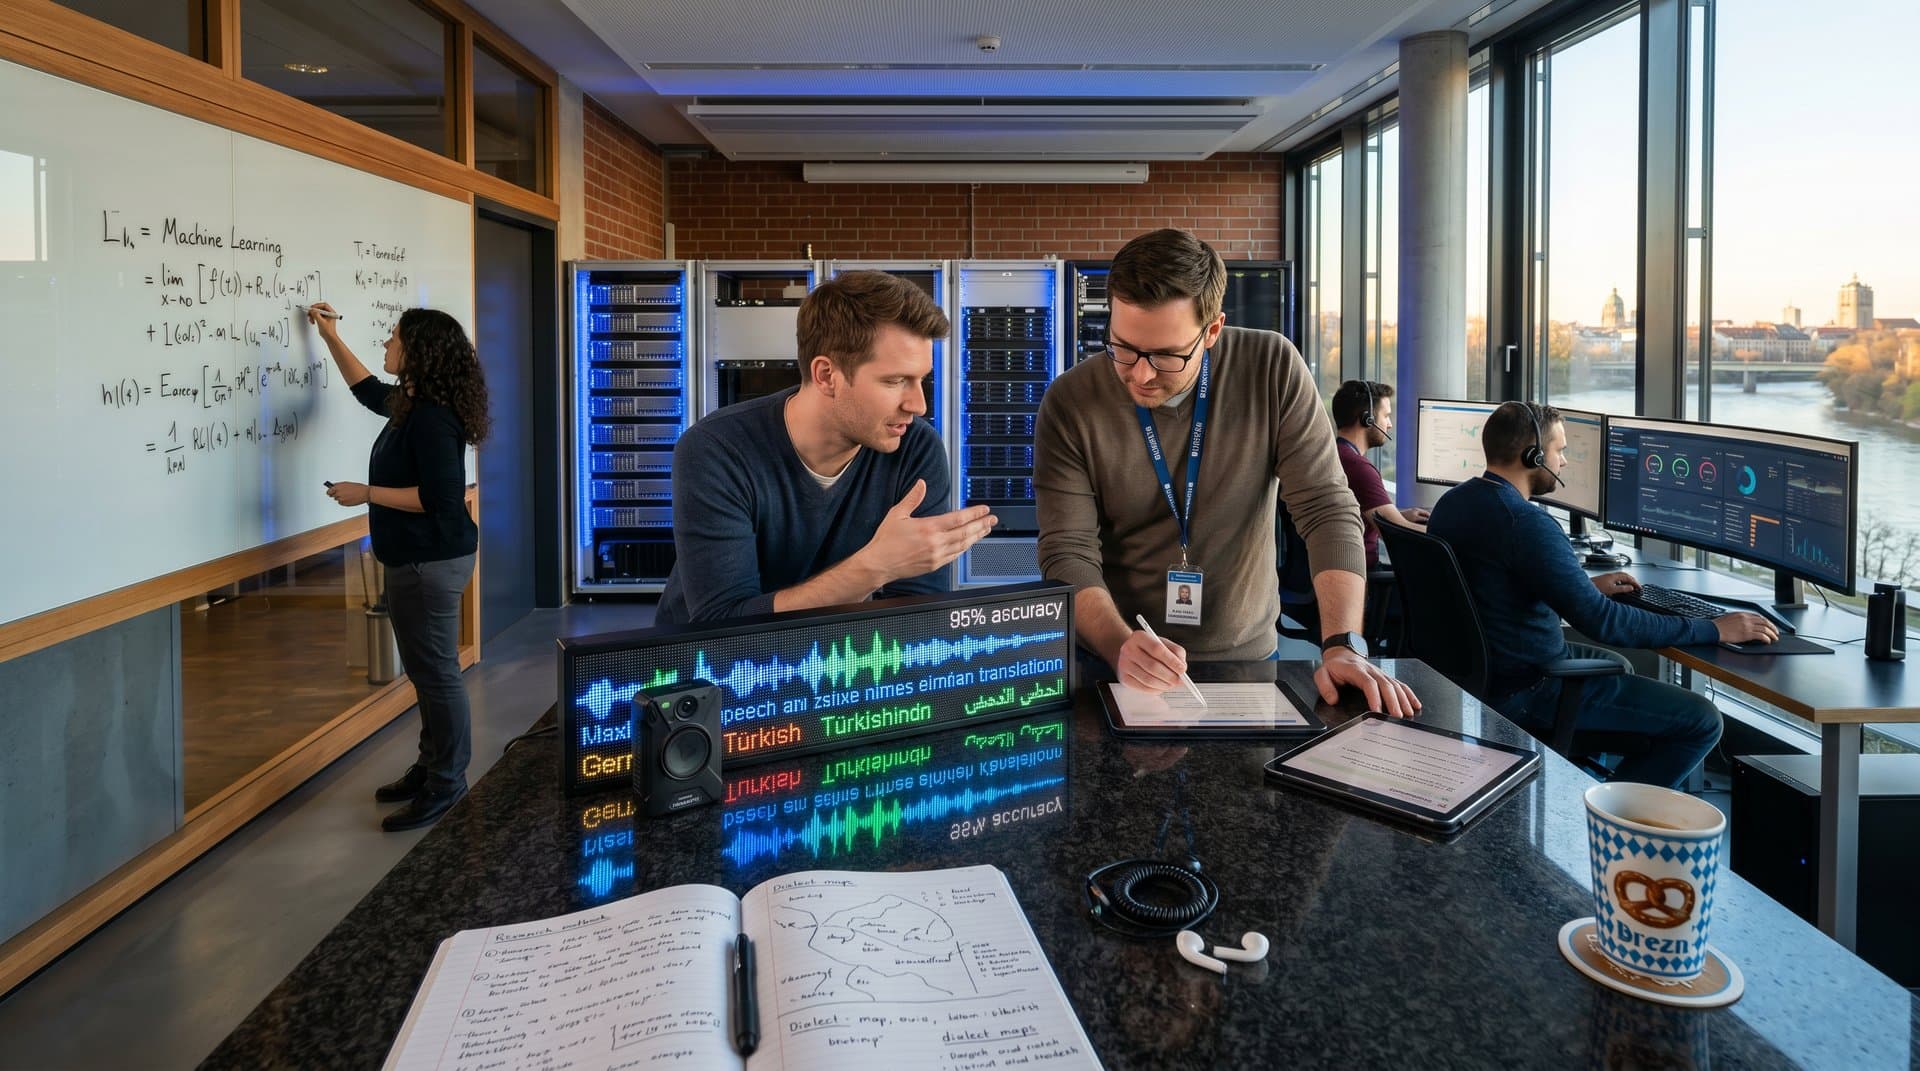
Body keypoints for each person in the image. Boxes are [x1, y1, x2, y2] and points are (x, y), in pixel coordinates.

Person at [1034, 229, 1419, 716]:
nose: (1141, 373)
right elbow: (1067, 551)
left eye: (1167, 356)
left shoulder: (1271, 367)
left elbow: (1326, 508)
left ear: (1212, 331)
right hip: (1113, 662)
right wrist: (1119, 646)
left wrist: (1342, 643)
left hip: (1248, 659)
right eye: (1123, 348)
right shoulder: (1071, 402)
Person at [1426, 401, 1777, 788]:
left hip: (1481, 676)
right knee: (1702, 720)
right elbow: (1604, 622)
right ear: (1534, 456)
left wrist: (1580, 587)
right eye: (1559, 451)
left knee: (1617, 667)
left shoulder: (1454, 503)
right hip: (1529, 687)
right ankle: (1607, 817)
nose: (1563, 462)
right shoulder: (1526, 523)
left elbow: (1492, 586)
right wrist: (1713, 628)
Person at [656, 271, 996, 624]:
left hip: (840, 657)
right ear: (826, 376)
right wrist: (875, 566)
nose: (918, 404)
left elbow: (915, 615)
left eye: (921, 379)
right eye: (895, 381)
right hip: (708, 668)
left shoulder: (916, 447)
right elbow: (722, 623)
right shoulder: (717, 450)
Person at [308, 301, 489, 831]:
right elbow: (367, 390)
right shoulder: (413, 403)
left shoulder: (431, 417)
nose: (386, 344)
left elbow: (440, 499)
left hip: (429, 562)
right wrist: (330, 338)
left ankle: (446, 783)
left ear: (419, 353)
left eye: (392, 338)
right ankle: (431, 767)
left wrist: (365, 493)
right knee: (426, 672)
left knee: (436, 674)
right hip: (416, 560)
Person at [1329, 379, 1429, 568]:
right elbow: (1398, 534)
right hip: (1361, 574)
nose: (1389, 424)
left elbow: (1365, 514)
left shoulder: (1334, 455)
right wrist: (1451, 533)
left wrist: (1397, 515)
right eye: (1386, 416)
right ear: (1368, 419)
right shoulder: (1358, 467)